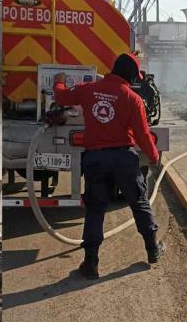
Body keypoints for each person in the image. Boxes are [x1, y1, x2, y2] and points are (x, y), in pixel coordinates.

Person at [53, 52, 165, 280]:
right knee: (140, 203)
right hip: (124, 159)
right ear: (133, 77)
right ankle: (153, 250)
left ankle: (91, 264)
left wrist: (59, 80)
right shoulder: (132, 98)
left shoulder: (90, 89)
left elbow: (62, 97)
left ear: (113, 69)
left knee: (95, 210)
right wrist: (154, 157)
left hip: (96, 159)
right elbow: (143, 135)